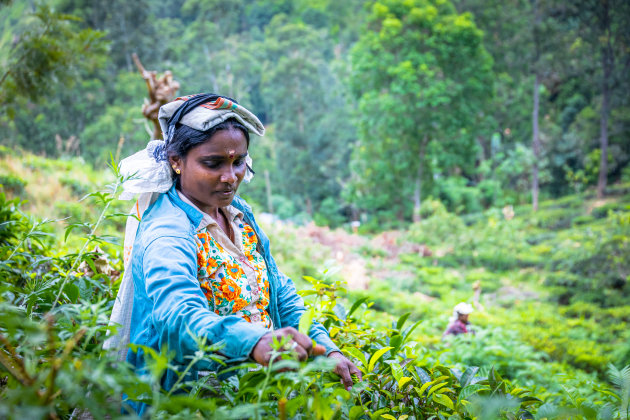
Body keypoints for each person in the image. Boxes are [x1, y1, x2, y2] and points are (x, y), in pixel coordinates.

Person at [109, 93, 361, 415]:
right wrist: (253, 342)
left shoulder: (237, 213)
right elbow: (178, 313)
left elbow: (277, 289)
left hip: (252, 395)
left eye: (238, 161)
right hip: (185, 401)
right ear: (176, 161)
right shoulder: (167, 232)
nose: (230, 177)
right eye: (213, 163)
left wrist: (326, 349)